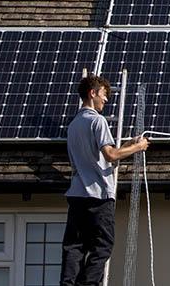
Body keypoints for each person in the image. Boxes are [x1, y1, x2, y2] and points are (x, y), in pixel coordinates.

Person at [61, 75, 149, 286]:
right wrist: (138, 147)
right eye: (104, 95)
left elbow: (89, 158)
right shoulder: (97, 121)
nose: (106, 100)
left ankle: (68, 283)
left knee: (74, 245)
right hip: (98, 196)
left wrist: (128, 143)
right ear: (93, 93)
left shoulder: (73, 125)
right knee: (102, 245)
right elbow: (110, 155)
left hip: (77, 195)